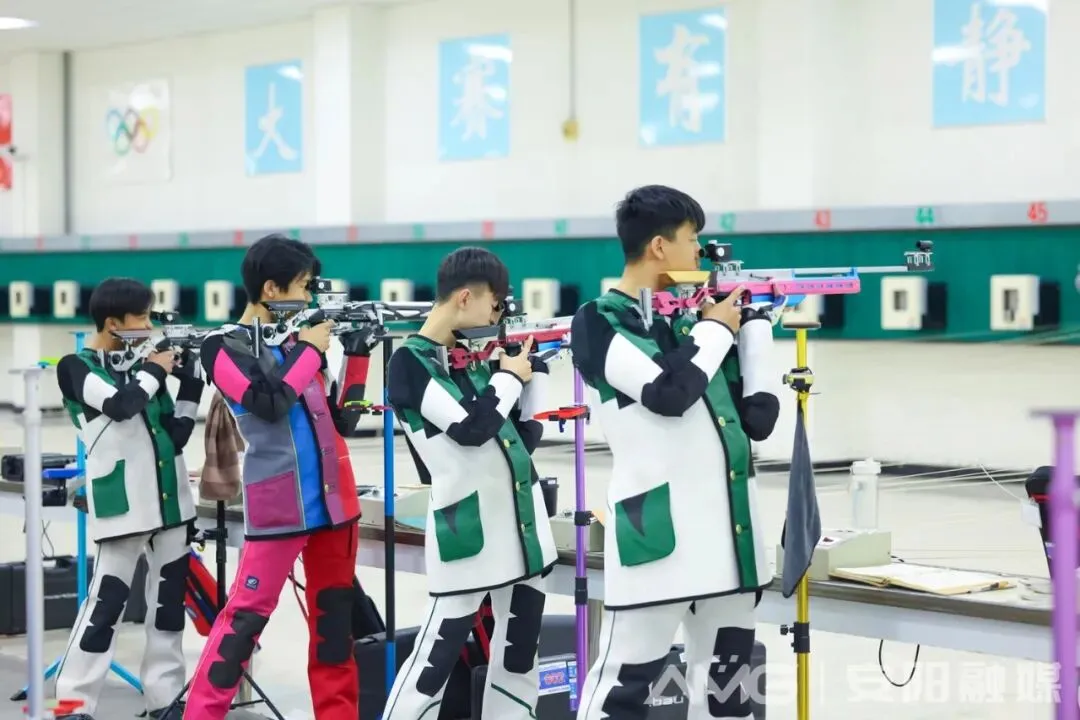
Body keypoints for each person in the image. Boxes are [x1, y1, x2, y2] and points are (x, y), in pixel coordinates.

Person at [570, 185, 781, 720]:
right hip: (657, 540)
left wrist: (756, 332)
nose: (701, 253)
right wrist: (716, 330)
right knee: (622, 693)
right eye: (693, 240)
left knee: (729, 697)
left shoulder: (691, 322)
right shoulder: (599, 320)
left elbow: (759, 419)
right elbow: (667, 393)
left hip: (730, 540)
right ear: (660, 246)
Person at [183, 234, 365, 720]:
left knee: (333, 633)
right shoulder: (221, 346)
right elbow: (267, 403)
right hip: (280, 507)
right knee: (242, 624)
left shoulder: (296, 344)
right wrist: (308, 350)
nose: (308, 297)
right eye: (303, 286)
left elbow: (344, 420)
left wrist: (358, 354)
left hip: (335, 506)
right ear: (270, 288)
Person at [382, 247, 558, 719]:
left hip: (523, 531)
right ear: (465, 297)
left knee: (519, 660)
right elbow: (470, 429)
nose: (497, 319)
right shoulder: (411, 362)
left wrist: (534, 377)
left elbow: (519, 442)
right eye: (494, 306)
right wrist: (509, 378)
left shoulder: (472, 361)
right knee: (432, 665)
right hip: (468, 535)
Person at [52, 278, 204, 720]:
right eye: (141, 317)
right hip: (122, 506)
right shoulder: (76, 367)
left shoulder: (143, 370)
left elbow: (176, 436)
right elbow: (121, 405)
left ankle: (165, 700)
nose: (149, 326)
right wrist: (156, 369)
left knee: (167, 610)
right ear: (113, 322)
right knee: (104, 610)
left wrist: (191, 382)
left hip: (172, 504)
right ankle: (72, 706)